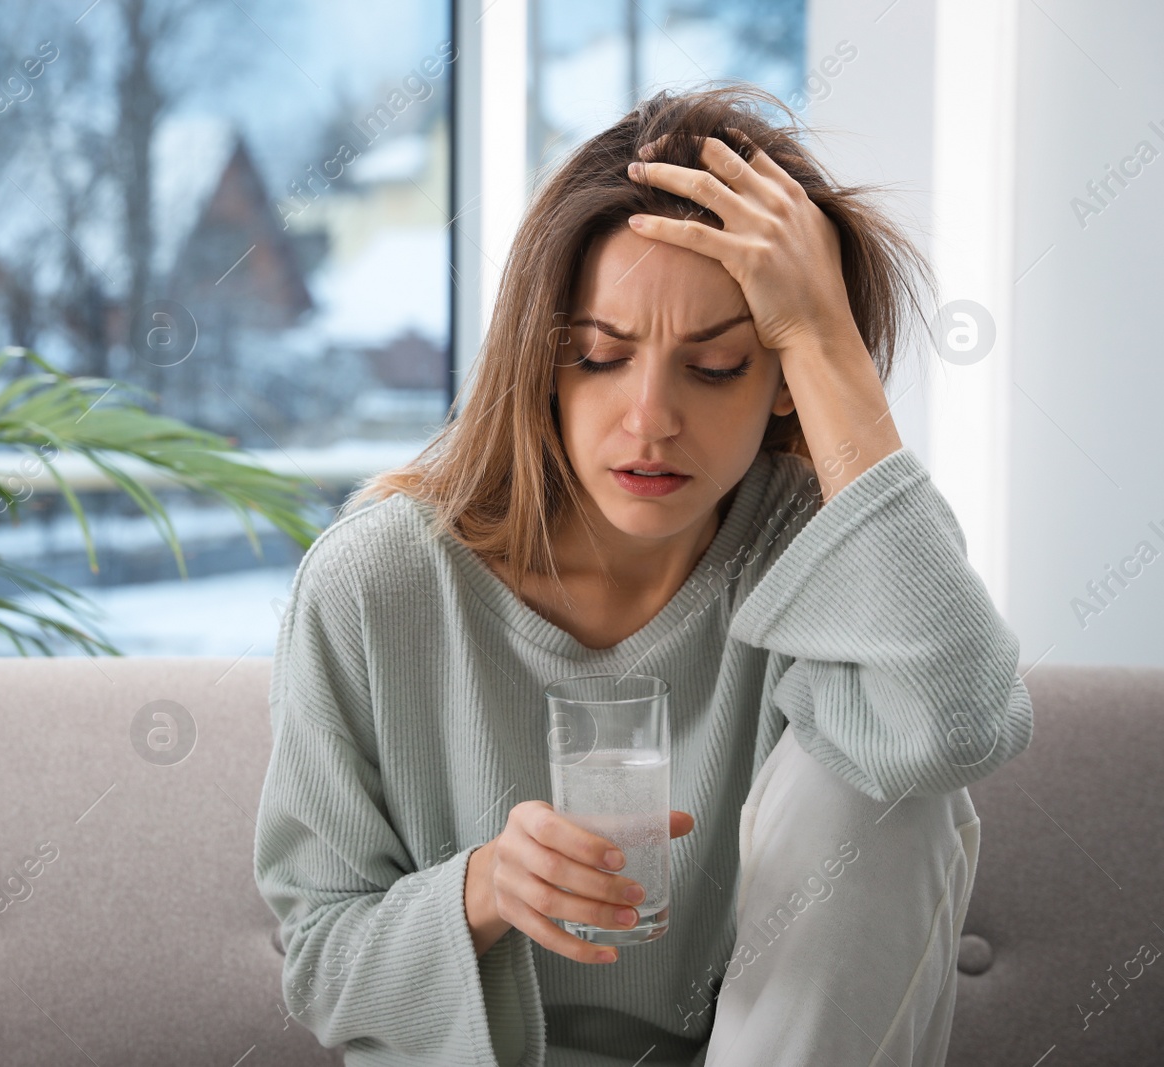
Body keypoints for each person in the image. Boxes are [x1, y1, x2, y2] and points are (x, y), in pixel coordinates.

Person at [252, 85, 1033, 1067]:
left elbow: (955, 723)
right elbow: (320, 966)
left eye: (715, 366)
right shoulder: (377, 582)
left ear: (783, 382)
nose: (651, 418)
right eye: (599, 356)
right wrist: (487, 887)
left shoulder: (815, 549)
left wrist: (828, 338)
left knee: (894, 768)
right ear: (541, 365)